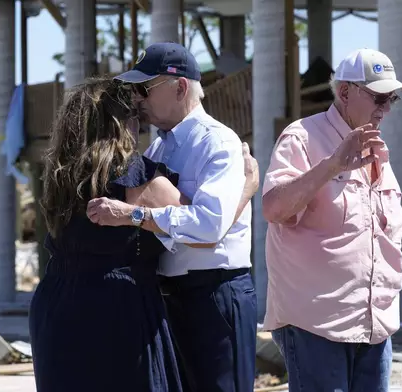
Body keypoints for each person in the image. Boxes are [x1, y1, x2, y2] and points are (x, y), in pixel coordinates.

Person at [29, 76, 258, 392]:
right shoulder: (133, 175)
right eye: (136, 115)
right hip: (114, 308)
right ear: (120, 123)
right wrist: (247, 188)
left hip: (55, 303)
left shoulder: (61, 177)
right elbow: (205, 229)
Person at [86, 42, 257, 392]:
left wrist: (133, 214)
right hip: (173, 294)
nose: (136, 99)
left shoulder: (217, 142)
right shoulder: (158, 147)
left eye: (144, 88)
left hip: (214, 293)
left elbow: (210, 225)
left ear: (180, 87)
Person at [261, 48, 402, 391]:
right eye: (379, 97)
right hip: (318, 327)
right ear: (344, 92)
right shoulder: (302, 137)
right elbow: (273, 209)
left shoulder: (377, 148)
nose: (386, 109)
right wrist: (332, 165)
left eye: (392, 100)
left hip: (374, 326)